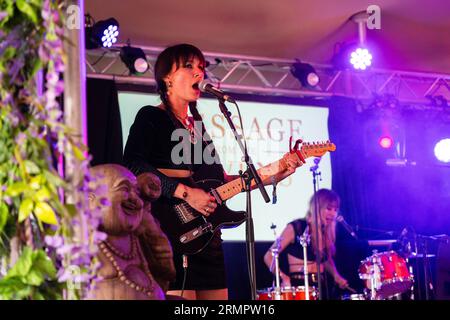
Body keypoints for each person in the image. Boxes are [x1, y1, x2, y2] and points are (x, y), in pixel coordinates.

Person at [123, 43, 301, 300]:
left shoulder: (198, 127)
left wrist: (279, 171)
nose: (199, 73)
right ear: (167, 78)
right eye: (189, 66)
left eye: (201, 68)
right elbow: (133, 164)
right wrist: (185, 193)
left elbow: (222, 181)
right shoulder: (151, 116)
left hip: (208, 238)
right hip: (170, 232)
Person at [263, 188, 348, 298]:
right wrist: (283, 278)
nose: (333, 214)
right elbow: (269, 256)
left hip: (320, 287)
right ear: (317, 207)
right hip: (299, 287)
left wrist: (336, 276)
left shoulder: (324, 231)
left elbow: (325, 259)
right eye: (328, 208)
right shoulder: (297, 227)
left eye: (335, 210)